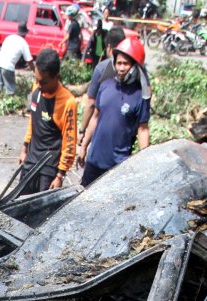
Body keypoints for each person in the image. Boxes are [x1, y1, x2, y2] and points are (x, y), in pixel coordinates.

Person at [78, 37, 150, 187]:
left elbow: (142, 129)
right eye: (119, 63)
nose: (121, 68)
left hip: (117, 166)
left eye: (126, 64)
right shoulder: (105, 86)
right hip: (94, 160)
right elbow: (95, 118)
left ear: (135, 66)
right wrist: (84, 146)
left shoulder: (140, 95)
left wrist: (145, 161)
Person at [16, 49, 78, 195]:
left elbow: (69, 142)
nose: (38, 84)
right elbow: (33, 121)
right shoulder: (37, 90)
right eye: (36, 79)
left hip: (48, 169)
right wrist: (24, 148)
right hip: (30, 162)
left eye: (43, 82)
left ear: (56, 77)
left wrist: (60, 175)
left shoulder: (67, 102)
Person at [0, 22, 31, 100]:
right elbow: (29, 60)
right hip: (8, 67)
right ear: (24, 34)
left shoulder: (9, 37)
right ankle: (10, 105)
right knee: (11, 90)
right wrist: (34, 70)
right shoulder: (23, 43)